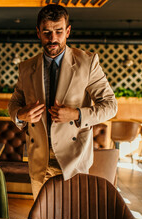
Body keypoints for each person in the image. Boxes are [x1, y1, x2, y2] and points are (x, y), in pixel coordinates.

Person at [8, 4, 117, 200]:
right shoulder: (26, 67)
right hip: (38, 158)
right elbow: (15, 102)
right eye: (47, 32)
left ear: (67, 31)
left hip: (72, 158)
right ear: (38, 33)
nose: (53, 38)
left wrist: (77, 114)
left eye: (58, 31)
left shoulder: (88, 62)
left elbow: (110, 106)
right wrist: (20, 115)